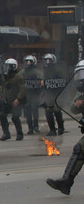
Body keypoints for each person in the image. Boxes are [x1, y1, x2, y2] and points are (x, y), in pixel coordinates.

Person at [46, 60, 84, 195]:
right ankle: (66, 182)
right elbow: (73, 109)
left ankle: (66, 182)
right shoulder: (81, 93)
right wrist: (79, 104)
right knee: (79, 149)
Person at [0, 58, 26, 141]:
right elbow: (3, 87)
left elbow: (22, 89)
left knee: (15, 117)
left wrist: (18, 99)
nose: (7, 69)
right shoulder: (5, 77)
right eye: (6, 66)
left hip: (15, 100)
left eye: (9, 67)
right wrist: (0, 96)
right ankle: (6, 133)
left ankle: (19, 134)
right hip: (6, 100)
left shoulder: (18, 77)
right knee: (2, 115)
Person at [42, 53, 67, 136]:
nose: (47, 62)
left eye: (49, 60)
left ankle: (61, 128)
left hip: (57, 95)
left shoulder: (58, 70)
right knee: (48, 112)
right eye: (46, 60)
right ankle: (52, 130)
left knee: (57, 111)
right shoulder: (45, 71)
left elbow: (64, 81)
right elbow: (44, 81)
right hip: (49, 95)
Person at [22, 55, 42, 134]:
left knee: (34, 110)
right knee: (28, 112)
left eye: (30, 62)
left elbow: (42, 81)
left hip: (35, 94)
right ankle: (30, 127)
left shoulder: (37, 72)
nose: (28, 63)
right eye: (27, 62)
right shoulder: (24, 71)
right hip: (27, 94)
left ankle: (35, 126)